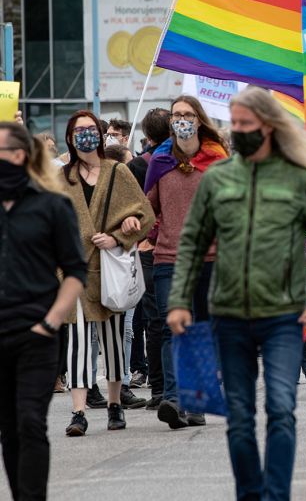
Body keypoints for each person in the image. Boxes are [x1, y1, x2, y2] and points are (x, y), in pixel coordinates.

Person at [166, 87, 306, 501]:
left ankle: (277, 494)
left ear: (268, 126)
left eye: (247, 125)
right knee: (240, 418)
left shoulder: (299, 179)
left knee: (281, 409)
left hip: (284, 316)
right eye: (235, 125)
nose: (239, 131)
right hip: (229, 317)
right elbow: (192, 243)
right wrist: (178, 301)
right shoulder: (218, 180)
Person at [0, 122, 86, 501]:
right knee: (9, 428)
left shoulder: (52, 205)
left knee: (31, 421)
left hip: (37, 333)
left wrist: (51, 321)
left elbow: (75, 270)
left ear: (18, 156)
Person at [59, 110, 155, 436]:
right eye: (78, 131)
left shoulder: (118, 172)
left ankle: (115, 404)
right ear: (70, 139)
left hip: (109, 268)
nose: (85, 135)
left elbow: (144, 215)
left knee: (114, 341)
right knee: (78, 343)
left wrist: (120, 235)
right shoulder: (62, 179)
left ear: (100, 135)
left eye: (90, 129)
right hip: (75, 273)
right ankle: (78, 412)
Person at [145, 95, 228, 429]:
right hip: (168, 256)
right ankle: (174, 399)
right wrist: (148, 231)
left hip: (209, 257)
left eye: (187, 114)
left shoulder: (217, 158)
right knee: (172, 328)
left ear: (199, 119)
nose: (181, 120)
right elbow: (148, 204)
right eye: (176, 115)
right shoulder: (160, 159)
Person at [125, 108, 172, 407]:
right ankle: (172, 385)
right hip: (170, 247)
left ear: (147, 135)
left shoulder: (135, 167)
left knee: (155, 322)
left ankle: (158, 387)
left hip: (146, 249)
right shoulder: (175, 163)